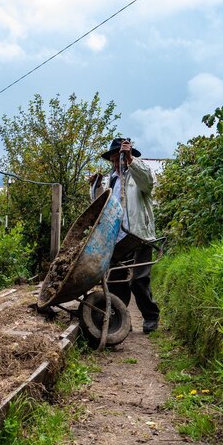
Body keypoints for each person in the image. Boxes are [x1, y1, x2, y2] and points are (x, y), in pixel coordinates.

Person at [90, 138, 160, 334]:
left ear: (127, 157)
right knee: (115, 282)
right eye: (113, 160)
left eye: (119, 158)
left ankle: (151, 317)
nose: (116, 163)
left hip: (139, 236)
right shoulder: (111, 180)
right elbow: (101, 207)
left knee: (138, 279)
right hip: (118, 239)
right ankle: (120, 320)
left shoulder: (138, 174)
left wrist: (130, 160)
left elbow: (148, 184)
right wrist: (95, 186)